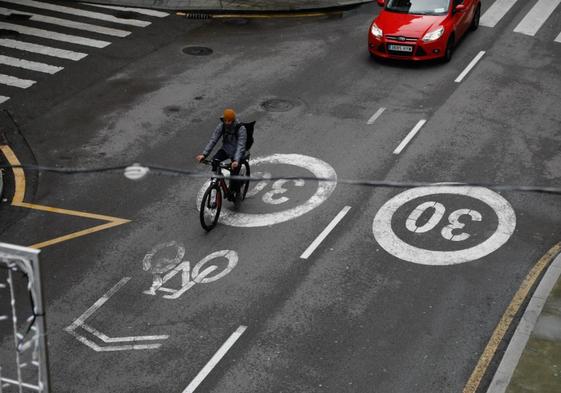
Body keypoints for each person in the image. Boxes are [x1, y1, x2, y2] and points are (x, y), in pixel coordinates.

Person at [196, 109, 247, 201]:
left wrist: (236, 160)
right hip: (226, 149)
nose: (227, 122)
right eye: (226, 120)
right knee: (215, 160)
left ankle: (238, 192)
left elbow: (241, 145)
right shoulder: (222, 126)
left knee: (234, 174)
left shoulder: (241, 128)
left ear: (233, 120)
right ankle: (217, 180)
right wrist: (204, 154)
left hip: (237, 152)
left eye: (229, 121)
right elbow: (213, 140)